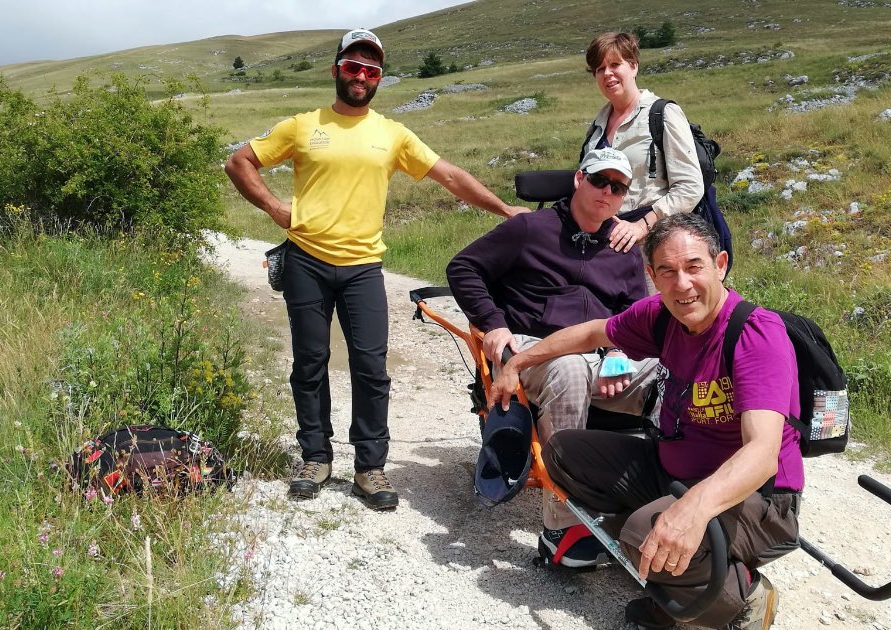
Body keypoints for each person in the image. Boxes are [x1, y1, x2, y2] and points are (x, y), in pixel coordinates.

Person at [224, 28, 528, 509]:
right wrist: (277, 211)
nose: (361, 76)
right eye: (353, 67)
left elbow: (450, 175)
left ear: (379, 79)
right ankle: (316, 458)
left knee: (370, 368)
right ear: (336, 71)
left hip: (363, 267)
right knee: (310, 364)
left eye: (371, 70)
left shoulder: (392, 134)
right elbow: (239, 161)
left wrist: (506, 211)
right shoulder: (304, 125)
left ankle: (369, 467)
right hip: (306, 261)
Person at [490, 213, 803, 630]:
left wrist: (691, 511)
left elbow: (763, 454)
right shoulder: (662, 316)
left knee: (641, 536)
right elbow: (591, 334)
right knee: (563, 453)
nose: (683, 285)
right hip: (675, 469)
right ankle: (666, 554)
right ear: (652, 275)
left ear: (721, 264)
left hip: (759, 497)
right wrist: (519, 361)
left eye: (694, 267)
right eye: (668, 272)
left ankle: (742, 597)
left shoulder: (755, 333)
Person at [446, 147, 658, 567]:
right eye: (601, 181)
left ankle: (664, 497)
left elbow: (637, 315)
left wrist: (621, 350)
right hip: (538, 353)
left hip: (605, 355)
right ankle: (562, 526)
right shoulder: (529, 228)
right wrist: (493, 323)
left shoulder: (624, 247)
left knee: (673, 372)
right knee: (568, 367)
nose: (608, 194)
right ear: (579, 179)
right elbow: (464, 268)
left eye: (619, 188)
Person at [580, 32, 705, 254]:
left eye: (615, 64)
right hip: (603, 244)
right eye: (599, 69)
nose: (607, 73)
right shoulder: (597, 125)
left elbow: (690, 187)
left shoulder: (662, 114)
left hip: (653, 245)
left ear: (633, 66)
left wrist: (642, 226)